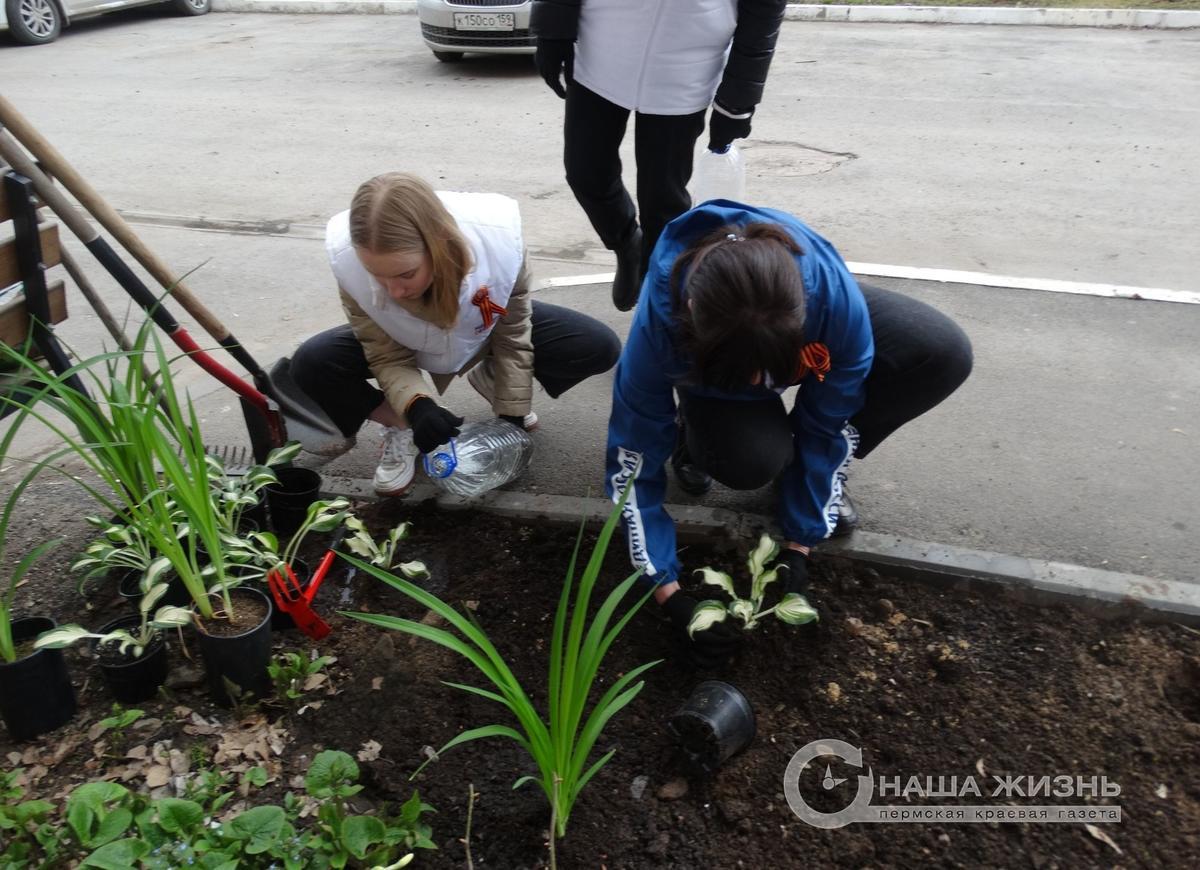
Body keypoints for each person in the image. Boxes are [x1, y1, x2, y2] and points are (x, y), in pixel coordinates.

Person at [605, 200, 974, 667]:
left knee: (941, 351)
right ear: (693, 311)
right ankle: (694, 429)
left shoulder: (833, 303)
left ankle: (806, 484)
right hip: (705, 366)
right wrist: (667, 590)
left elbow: (828, 421)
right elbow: (632, 462)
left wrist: (801, 540)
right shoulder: (658, 336)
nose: (763, 385)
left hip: (803, 319)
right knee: (748, 462)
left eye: (771, 372)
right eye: (751, 375)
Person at [292, 172, 621, 496]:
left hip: (482, 331)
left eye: (406, 273)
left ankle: (492, 379)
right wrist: (416, 407)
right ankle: (401, 426)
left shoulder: (500, 249)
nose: (393, 291)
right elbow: (384, 354)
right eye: (376, 275)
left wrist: (511, 416)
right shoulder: (350, 264)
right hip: (402, 338)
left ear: (438, 245)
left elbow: (513, 335)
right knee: (312, 363)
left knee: (596, 346)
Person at [531, 0, 788, 312]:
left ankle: (659, 294)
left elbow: (764, 10)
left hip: (685, 69)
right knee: (586, 172)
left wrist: (737, 101)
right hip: (601, 52)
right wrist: (552, 28)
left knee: (663, 199)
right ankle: (627, 243)